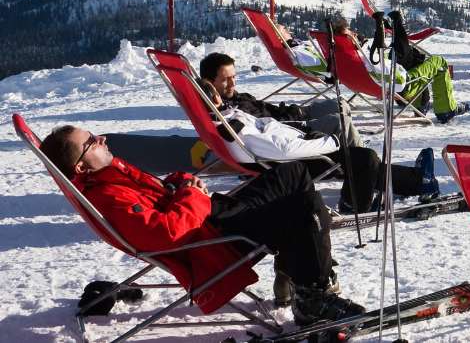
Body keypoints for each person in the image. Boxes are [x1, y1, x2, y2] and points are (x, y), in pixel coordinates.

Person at [39, 125, 365, 325]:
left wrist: (184, 183)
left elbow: (160, 192)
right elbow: (166, 234)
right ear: (80, 167)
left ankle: (299, 277)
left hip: (208, 219)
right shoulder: (110, 196)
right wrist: (192, 196)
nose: (102, 139)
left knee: (292, 175)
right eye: (92, 141)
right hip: (213, 241)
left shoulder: (111, 176)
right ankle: (311, 294)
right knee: (299, 207)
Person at [197, 79, 439, 212]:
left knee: (361, 159)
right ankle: (357, 204)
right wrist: (328, 142)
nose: (226, 89)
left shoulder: (229, 117)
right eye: (215, 92)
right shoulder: (235, 126)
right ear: (213, 99)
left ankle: (417, 180)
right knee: (364, 159)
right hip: (292, 161)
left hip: (295, 147)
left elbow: (272, 131)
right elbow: (283, 150)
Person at [199, 52, 364, 150]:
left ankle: (349, 150)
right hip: (292, 129)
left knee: (340, 105)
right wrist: (295, 116)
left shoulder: (237, 97)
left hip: (291, 114)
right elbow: (268, 127)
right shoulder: (230, 113)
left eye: (233, 77)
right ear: (209, 83)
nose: (233, 83)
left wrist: (293, 111)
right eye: (225, 80)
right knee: (341, 122)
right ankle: (365, 166)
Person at [331, 16, 469, 124]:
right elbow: (396, 77)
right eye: (351, 33)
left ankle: (421, 104)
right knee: (439, 62)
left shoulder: (341, 57)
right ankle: (446, 110)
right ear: (348, 39)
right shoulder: (365, 59)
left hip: (370, 85)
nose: (355, 33)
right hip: (402, 86)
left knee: (408, 55)